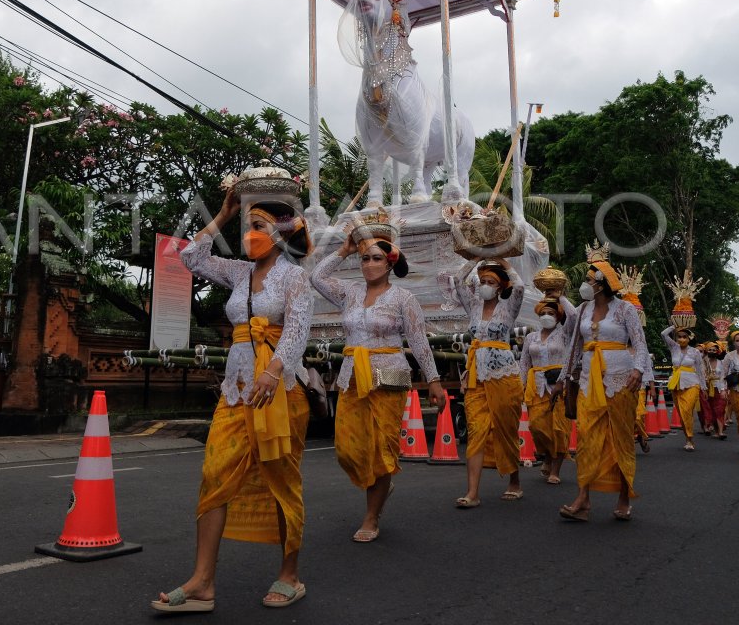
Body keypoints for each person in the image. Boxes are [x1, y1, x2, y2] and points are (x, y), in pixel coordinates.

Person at [153, 187, 315, 612]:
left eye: (257, 227)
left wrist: (272, 370)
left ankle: (289, 575)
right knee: (214, 473)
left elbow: (297, 331)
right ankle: (203, 581)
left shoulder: (295, 277)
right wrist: (222, 214)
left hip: (280, 391)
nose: (250, 234)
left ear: (279, 234)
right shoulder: (239, 274)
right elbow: (188, 258)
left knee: (282, 479)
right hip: (237, 388)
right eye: (248, 227)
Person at [311, 221, 444, 543]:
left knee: (382, 451)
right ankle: (381, 484)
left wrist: (435, 381)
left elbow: (419, 342)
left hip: (389, 379)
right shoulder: (349, 293)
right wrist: (343, 249)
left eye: (376, 259)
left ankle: (372, 515)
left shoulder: (403, 298)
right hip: (353, 378)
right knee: (347, 450)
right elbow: (316, 277)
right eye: (364, 258)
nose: (368, 264)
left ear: (390, 263)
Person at [555, 257, 648, 523]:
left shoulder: (626, 309)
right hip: (587, 382)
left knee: (620, 438)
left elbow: (640, 344)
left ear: (601, 284)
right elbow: (574, 346)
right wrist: (562, 378)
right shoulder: (583, 310)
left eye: (588, 279)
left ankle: (623, 497)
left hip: (620, 381)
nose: (585, 284)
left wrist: (638, 370)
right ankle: (582, 500)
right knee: (586, 440)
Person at [449, 257, 526, 507]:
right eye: (483, 281)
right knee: (476, 431)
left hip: (503, 375)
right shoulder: (473, 306)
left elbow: (521, 287)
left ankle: (514, 481)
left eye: (491, 282)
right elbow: (458, 280)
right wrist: (476, 257)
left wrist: (503, 261)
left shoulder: (509, 306)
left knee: (505, 429)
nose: (485, 285)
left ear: (501, 286)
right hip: (475, 376)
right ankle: (472, 493)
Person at [519, 295, 578, 484]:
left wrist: (558, 295)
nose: (546, 316)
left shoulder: (565, 334)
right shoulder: (531, 337)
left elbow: (574, 316)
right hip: (536, 387)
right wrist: (521, 385)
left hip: (559, 386)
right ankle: (546, 455)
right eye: (543, 313)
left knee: (560, 429)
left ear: (558, 315)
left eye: (551, 313)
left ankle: (555, 469)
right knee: (537, 426)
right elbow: (524, 362)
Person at [662, 326, 707, 451]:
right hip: (676, 384)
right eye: (679, 337)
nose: (682, 339)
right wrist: (674, 327)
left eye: (684, 337)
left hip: (692, 383)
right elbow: (663, 334)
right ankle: (688, 438)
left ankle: (690, 438)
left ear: (689, 338)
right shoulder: (674, 348)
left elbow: (699, 369)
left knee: (687, 409)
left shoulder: (695, 352)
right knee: (682, 413)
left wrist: (703, 387)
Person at [700, 342, 728, 439]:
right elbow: (701, 377)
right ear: (707, 351)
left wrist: (724, 389)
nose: (712, 351)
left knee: (719, 410)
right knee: (711, 411)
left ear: (718, 351)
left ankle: (720, 432)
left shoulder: (722, 363)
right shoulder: (703, 363)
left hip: (720, 389)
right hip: (707, 389)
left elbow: (723, 377)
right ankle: (715, 430)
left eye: (714, 350)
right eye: (710, 350)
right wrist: (704, 389)